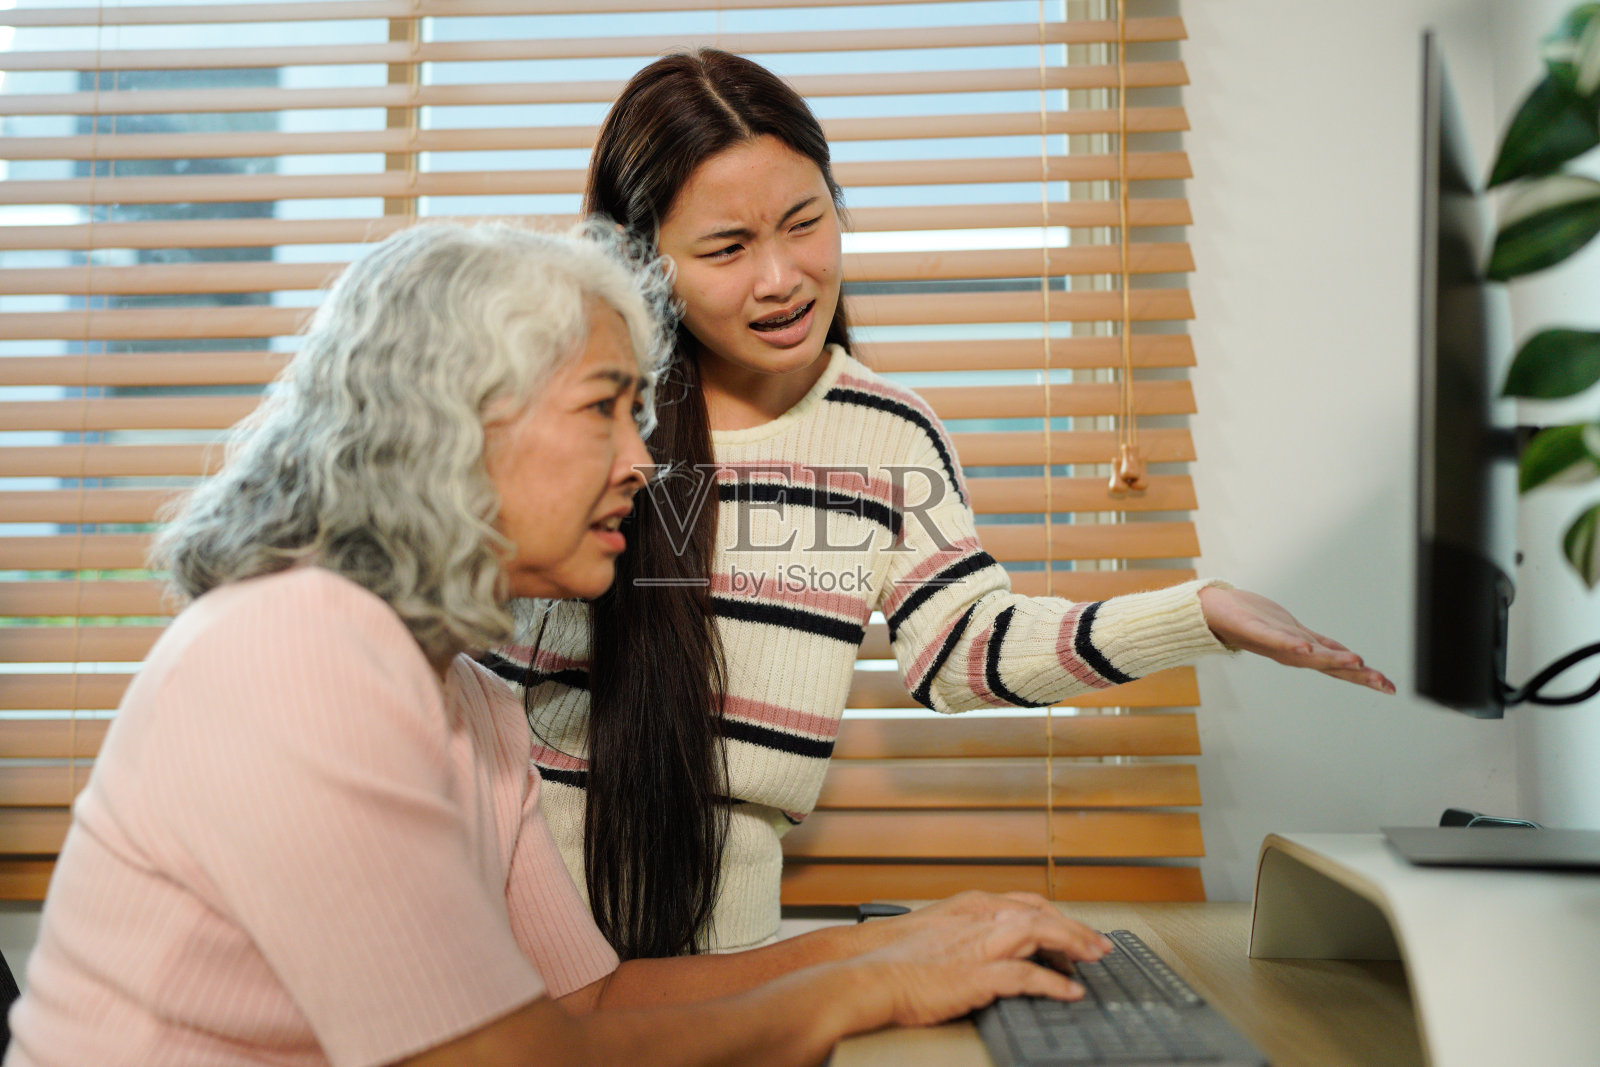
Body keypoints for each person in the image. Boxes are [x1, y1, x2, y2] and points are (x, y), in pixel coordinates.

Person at [2, 221, 1117, 1067]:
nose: (642, 461)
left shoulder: (474, 701)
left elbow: (588, 1002)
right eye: (602, 409)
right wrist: (870, 988)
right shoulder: (292, 649)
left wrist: (887, 946)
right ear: (448, 422)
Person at [487, 49, 1399, 960]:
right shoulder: (594, 406)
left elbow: (962, 649)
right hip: (513, 902)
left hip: (730, 942)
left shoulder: (888, 434)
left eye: (804, 223)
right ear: (644, 262)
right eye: (728, 249)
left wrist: (1200, 613)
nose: (781, 277)